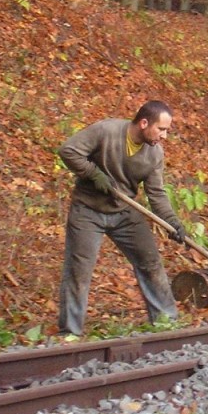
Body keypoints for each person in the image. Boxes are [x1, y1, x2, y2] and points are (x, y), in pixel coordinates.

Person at [57, 100, 187, 337]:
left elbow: (156, 193)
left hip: (125, 212)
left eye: (167, 130)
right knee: (79, 271)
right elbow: (68, 150)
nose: (165, 136)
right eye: (162, 129)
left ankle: (167, 324)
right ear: (144, 123)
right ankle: (70, 332)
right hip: (88, 210)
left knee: (151, 263)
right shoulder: (106, 131)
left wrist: (171, 221)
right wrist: (93, 174)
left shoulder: (154, 153)